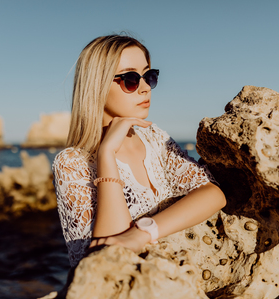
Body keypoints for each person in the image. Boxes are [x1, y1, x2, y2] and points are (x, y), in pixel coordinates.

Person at [52, 34, 226, 268]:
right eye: (131, 79)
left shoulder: (155, 138)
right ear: (98, 86)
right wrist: (106, 155)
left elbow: (213, 194)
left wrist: (143, 232)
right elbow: (105, 261)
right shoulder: (72, 163)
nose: (145, 88)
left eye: (149, 76)